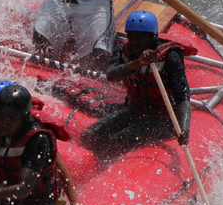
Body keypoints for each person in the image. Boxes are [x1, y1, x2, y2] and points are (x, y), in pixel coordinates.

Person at [80, 10, 194, 163]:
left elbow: (183, 98)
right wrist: (138, 63)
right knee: (88, 135)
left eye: (140, 38)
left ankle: (108, 170)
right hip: (135, 111)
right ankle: (92, 167)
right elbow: (111, 75)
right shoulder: (123, 50)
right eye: (131, 36)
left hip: (163, 120)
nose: (134, 42)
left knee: (116, 141)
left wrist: (184, 130)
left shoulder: (170, 56)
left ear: (152, 37)